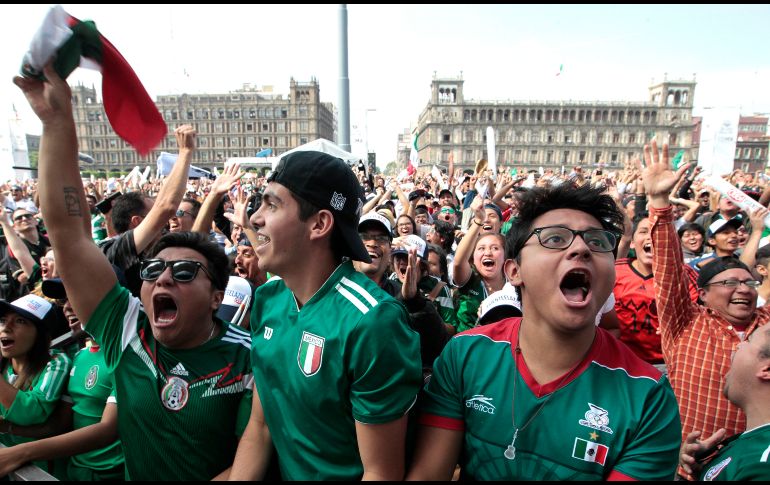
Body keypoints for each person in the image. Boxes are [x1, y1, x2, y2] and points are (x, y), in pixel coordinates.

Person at [15, 63, 253, 480]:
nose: (162, 278)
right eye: (155, 268)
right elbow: (69, 235)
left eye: (183, 272)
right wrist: (56, 121)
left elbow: (253, 462)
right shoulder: (126, 329)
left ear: (217, 297)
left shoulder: (249, 358)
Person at [407, 182, 681, 480]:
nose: (580, 249)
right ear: (514, 271)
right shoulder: (465, 355)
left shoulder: (648, 398)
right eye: (554, 238)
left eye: (598, 242)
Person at [228, 151, 422, 480]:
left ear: (319, 224)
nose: (255, 219)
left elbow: (380, 473)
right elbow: (260, 427)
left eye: (272, 205)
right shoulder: (267, 300)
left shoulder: (373, 322)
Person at [643, 139, 770, 470]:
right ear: (702, 294)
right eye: (729, 283)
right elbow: (668, 272)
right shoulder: (686, 323)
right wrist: (658, 203)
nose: (743, 289)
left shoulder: (766, 324)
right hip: (688, 467)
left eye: (749, 282)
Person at [0, 278, 125, 481]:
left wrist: (19, 451)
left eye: (21, 321)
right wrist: (8, 429)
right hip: (74, 472)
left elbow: (106, 430)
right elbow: (60, 424)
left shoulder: (125, 357)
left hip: (107, 474)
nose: (67, 306)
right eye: (63, 300)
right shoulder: (80, 357)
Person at [97, 124, 197, 296]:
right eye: (154, 215)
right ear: (137, 221)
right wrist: (186, 151)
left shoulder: (154, 249)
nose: (166, 222)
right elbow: (166, 207)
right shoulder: (115, 251)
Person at [678, 325, 770, 481]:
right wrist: (705, 470)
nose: (738, 345)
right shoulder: (752, 446)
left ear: (767, 370)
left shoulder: (763, 464)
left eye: (748, 340)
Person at [611, 212, 699, 364]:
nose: (651, 237)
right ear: (632, 242)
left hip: (669, 364)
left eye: (657, 232)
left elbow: (697, 318)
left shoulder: (684, 276)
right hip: (620, 361)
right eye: (644, 231)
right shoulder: (613, 272)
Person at [0, 294, 71, 473]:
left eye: (20, 321)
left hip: (41, 471)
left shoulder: (56, 362)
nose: (6, 328)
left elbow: (31, 413)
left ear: (40, 334)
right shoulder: (3, 364)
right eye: (2, 320)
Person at [452, 195, 507, 333]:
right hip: (468, 347)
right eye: (481, 249)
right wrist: (478, 220)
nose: (488, 253)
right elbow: (458, 262)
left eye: (495, 248)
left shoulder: (514, 285)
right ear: (473, 258)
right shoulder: (469, 280)